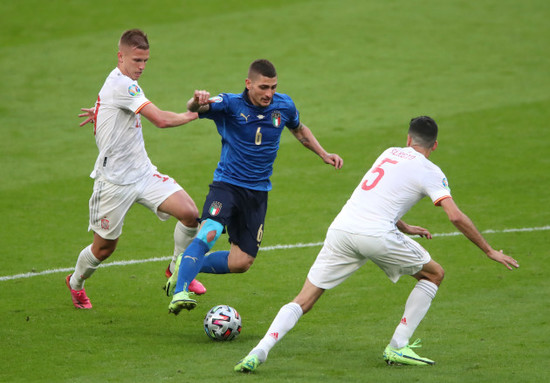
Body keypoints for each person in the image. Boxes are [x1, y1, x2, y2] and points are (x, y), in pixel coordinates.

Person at [234, 116, 519, 372]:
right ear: (435, 146)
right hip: (375, 235)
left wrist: (405, 226)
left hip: (341, 229)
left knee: (304, 299)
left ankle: (259, 351)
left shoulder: (388, 153)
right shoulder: (431, 170)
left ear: (408, 139)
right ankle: (398, 345)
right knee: (434, 274)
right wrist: (489, 250)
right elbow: (455, 216)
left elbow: (376, 196)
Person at [164, 59, 344, 314]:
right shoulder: (229, 104)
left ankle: (188, 263)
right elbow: (195, 107)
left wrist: (323, 154)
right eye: (263, 87)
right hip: (226, 186)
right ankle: (181, 290)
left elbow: (299, 129)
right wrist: (196, 100)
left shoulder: (284, 105)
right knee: (209, 233)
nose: (269, 93)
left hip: (257, 193)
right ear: (248, 84)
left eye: (273, 87)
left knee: (242, 262)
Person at [66, 29, 206, 309]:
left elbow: (112, 101)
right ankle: (76, 283)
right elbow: (161, 121)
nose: (141, 67)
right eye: (136, 60)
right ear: (121, 57)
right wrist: (195, 114)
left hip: (143, 173)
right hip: (114, 183)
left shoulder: (121, 85)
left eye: (145, 61)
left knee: (190, 215)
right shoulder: (123, 85)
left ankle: (178, 269)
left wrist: (102, 110)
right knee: (104, 249)